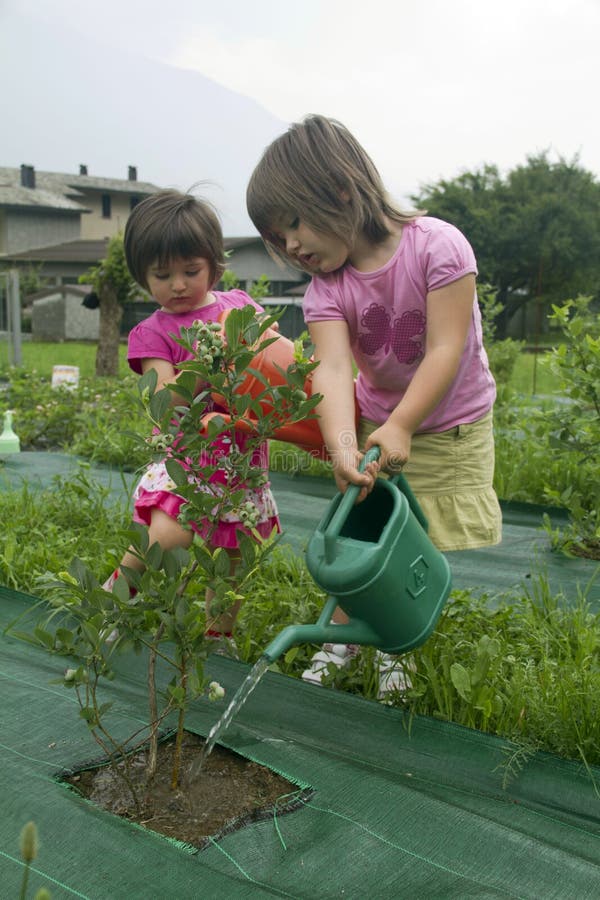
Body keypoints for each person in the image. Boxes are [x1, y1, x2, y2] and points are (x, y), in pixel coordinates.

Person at [246, 114, 502, 695]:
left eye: (293, 225)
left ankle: (393, 646)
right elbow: (333, 370)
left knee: (416, 535)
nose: (290, 247)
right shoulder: (327, 288)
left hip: (448, 422)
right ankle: (342, 634)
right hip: (375, 419)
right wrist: (343, 443)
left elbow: (445, 347)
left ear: (339, 188)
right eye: (277, 238)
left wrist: (404, 424)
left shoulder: (437, 246)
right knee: (365, 525)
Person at [103, 189, 280, 648]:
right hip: (189, 458)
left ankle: (218, 635)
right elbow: (168, 402)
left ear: (214, 266)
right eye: (163, 275)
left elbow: (274, 355)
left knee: (234, 552)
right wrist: (210, 369)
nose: (178, 285)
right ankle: (118, 595)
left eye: (191, 271)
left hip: (241, 462)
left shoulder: (238, 307)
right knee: (165, 532)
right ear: (143, 275)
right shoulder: (153, 333)